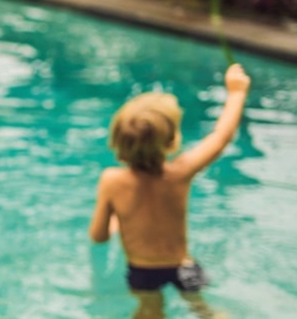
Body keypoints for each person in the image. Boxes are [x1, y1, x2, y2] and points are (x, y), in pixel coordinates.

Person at [89, 63, 250, 319]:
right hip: (183, 267)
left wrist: (116, 222)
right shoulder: (180, 172)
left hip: (143, 272)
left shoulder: (112, 181)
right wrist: (237, 92)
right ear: (172, 140)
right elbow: (221, 137)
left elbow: (98, 236)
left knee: (149, 312)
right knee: (205, 311)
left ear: (117, 139)